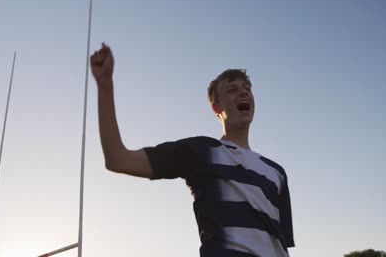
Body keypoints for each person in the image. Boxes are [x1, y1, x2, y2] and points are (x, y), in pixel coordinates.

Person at [90, 43, 295, 257]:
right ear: (217, 108)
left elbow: (282, 245)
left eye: (247, 88)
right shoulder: (201, 151)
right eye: (232, 89)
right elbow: (118, 159)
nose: (243, 92)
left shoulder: (276, 173)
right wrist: (105, 86)